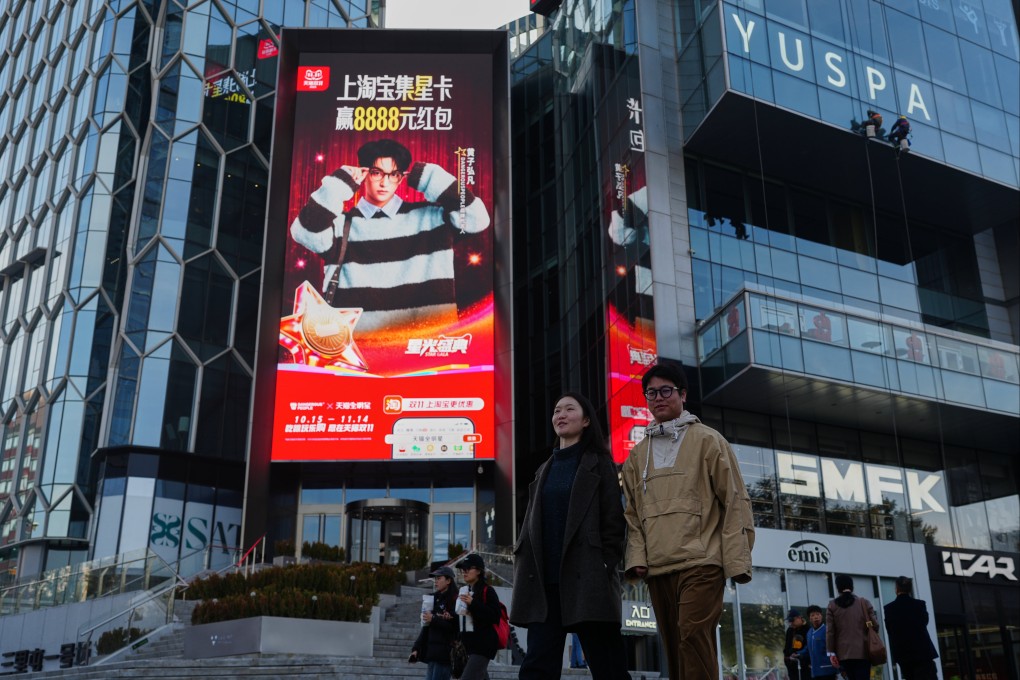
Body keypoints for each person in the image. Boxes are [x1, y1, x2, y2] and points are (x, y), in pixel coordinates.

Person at [621, 362, 755, 680]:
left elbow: (735, 500)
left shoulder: (709, 441)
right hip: (658, 566)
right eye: (651, 392)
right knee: (674, 645)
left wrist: (736, 561)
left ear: (683, 394)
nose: (658, 397)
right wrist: (637, 558)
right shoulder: (637, 455)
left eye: (666, 390)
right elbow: (632, 515)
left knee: (692, 635)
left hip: (703, 561)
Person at [289, 138, 491, 332]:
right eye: (377, 173)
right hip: (358, 352)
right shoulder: (341, 225)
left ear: (402, 177)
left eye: (393, 174)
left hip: (428, 346)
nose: (384, 182)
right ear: (364, 173)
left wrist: (428, 177)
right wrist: (339, 185)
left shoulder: (431, 217)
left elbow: (477, 219)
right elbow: (303, 232)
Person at [511, 392, 632, 680]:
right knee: (536, 668)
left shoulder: (600, 463)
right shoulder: (544, 470)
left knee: (608, 666)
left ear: (587, 420)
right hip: (545, 584)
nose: (560, 415)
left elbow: (613, 521)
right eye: (556, 410)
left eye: (569, 409)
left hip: (588, 579)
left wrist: (605, 563)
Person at [882, 576, 938, 680]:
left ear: (896, 589)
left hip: (903, 654)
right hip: (922, 652)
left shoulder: (889, 608)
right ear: (910, 589)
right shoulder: (920, 605)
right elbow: (924, 622)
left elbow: (889, 629)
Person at [826, 574, 880, 680]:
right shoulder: (864, 602)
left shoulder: (832, 605)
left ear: (837, 588)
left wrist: (831, 653)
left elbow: (830, 632)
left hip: (843, 654)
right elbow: (875, 625)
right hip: (863, 651)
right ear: (852, 586)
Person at [456, 553, 501, 680]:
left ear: (478, 571)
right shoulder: (466, 591)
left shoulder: (488, 590)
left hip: (483, 645)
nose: (464, 572)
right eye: (462, 569)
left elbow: (495, 616)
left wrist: (473, 604)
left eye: (468, 568)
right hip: (471, 646)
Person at [410, 565, 459, 680]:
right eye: (435, 579)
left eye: (439, 578)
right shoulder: (433, 599)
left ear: (448, 580)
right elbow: (426, 626)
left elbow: (455, 627)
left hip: (445, 655)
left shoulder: (455, 600)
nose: (436, 581)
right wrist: (416, 648)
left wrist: (434, 619)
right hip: (432, 654)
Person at [795, 605, 837, 680]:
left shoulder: (828, 630)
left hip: (828, 671)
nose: (816, 617)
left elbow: (836, 648)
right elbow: (808, 648)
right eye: (813, 615)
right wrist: (798, 653)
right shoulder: (809, 633)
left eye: (818, 614)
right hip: (815, 671)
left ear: (821, 616)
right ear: (809, 618)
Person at [783, 609, 810, 680]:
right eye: (789, 621)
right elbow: (787, 646)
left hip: (804, 667)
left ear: (799, 618)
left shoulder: (808, 629)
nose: (790, 623)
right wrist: (786, 659)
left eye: (792, 620)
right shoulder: (789, 630)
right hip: (791, 667)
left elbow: (809, 648)